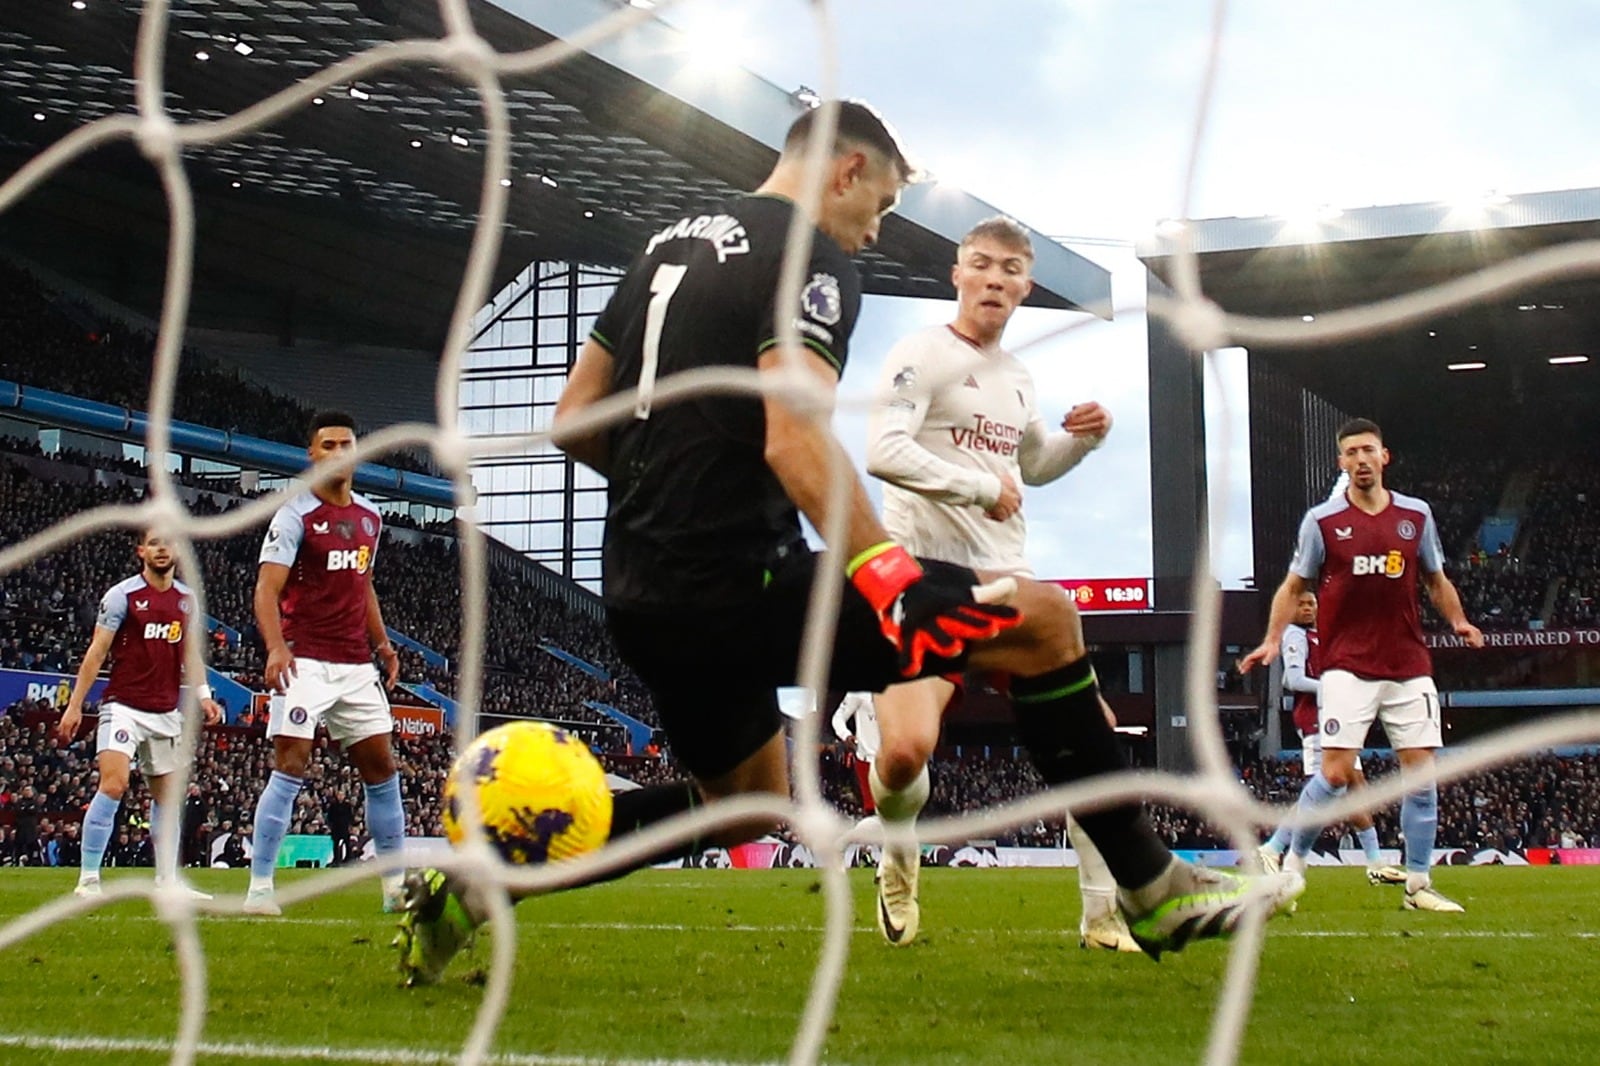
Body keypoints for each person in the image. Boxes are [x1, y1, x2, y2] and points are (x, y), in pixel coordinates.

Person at [394, 100, 1300, 985]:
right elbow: (795, 434)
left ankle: (481, 886)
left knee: (744, 807)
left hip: (641, 586)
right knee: (1048, 622)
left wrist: (666, 493)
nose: (875, 230)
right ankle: (1149, 884)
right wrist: (885, 568)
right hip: (742, 577)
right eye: (884, 206)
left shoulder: (664, 249)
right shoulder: (810, 257)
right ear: (848, 170)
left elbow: (574, 422)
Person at [862, 215, 1137, 952]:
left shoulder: (1017, 377)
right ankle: (896, 854)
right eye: (981, 264)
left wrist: (1083, 441)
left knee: (1093, 739)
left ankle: (1102, 914)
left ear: (1024, 284)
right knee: (903, 755)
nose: (994, 279)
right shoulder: (920, 353)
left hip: (1006, 583)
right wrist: (976, 490)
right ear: (957, 274)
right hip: (923, 584)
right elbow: (882, 450)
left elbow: (1032, 466)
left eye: (1010, 269)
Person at [1240, 418, 1484, 912]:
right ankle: (1281, 857)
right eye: (1351, 453)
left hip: (1408, 663)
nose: (1360, 460)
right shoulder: (1323, 522)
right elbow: (1293, 587)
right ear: (1341, 463)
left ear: (1384, 456)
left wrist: (1458, 621)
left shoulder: (1416, 515)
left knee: (1420, 774)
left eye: (1368, 451)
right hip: (1347, 665)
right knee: (1333, 773)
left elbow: (1436, 579)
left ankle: (1418, 885)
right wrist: (1270, 640)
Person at [243, 411, 405, 916]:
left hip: (356, 666)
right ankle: (260, 889)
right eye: (328, 444)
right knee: (290, 765)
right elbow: (266, 590)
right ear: (312, 455)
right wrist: (275, 647)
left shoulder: (370, 519)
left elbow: (365, 584)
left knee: (382, 770)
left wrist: (384, 644)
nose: (339, 452)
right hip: (304, 662)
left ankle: (395, 889)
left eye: (346, 444)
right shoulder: (294, 515)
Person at [56, 528, 223, 898]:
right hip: (123, 706)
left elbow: (191, 654)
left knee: (168, 798)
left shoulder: (186, 599)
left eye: (169, 543)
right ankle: (88, 879)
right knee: (114, 784)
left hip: (165, 711)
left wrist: (204, 695)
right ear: (141, 551)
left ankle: (168, 881)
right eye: (155, 543)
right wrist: (74, 706)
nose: (163, 549)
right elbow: (97, 651)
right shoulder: (122, 596)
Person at [1255, 589, 1406, 885]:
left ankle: (1375, 863)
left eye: (1313, 603)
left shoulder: (1319, 636)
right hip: (1317, 721)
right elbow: (1293, 679)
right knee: (1324, 791)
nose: (1310, 608)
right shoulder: (1294, 635)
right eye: (1303, 604)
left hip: (1336, 719)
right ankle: (1273, 848)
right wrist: (1332, 687)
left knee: (1354, 789)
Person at [830, 691, 879, 817]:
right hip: (866, 760)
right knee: (872, 813)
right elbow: (838, 718)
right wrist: (845, 735)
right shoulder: (859, 692)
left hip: (892, 761)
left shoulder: (899, 690)